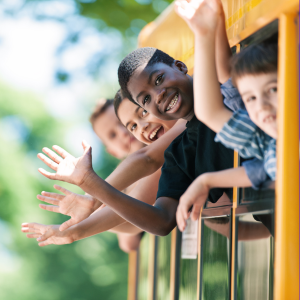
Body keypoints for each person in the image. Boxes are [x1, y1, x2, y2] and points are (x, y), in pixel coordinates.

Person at [22, 93, 186, 246]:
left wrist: (93, 198)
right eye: (113, 135)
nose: (123, 132)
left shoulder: (171, 143)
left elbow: (147, 159)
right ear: (112, 152)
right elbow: (130, 233)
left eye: (123, 124)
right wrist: (74, 228)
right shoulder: (141, 173)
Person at [174, 0, 277, 231]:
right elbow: (210, 112)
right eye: (250, 98)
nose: (261, 106)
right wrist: (203, 34)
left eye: (273, 89)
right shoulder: (270, 143)